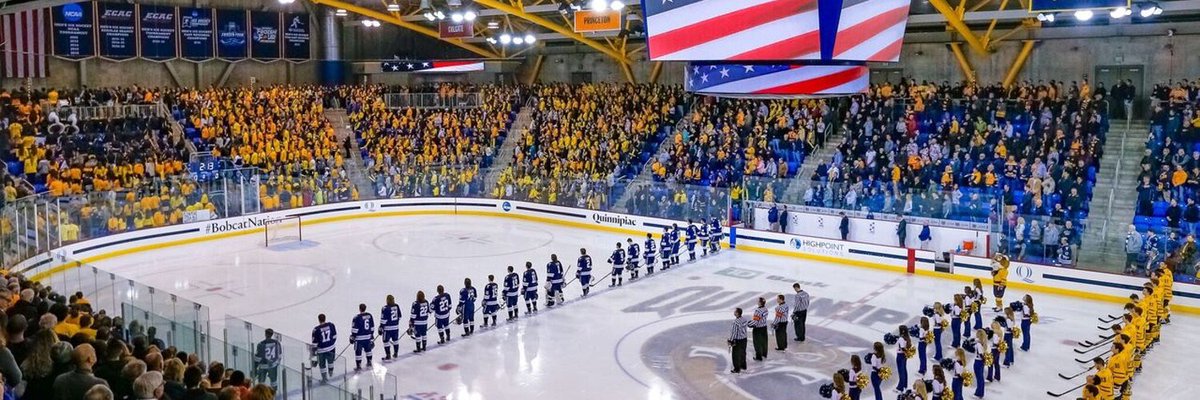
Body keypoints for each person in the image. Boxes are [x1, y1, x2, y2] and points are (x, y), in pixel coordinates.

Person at [310, 314, 336, 383]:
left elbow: (314, 343)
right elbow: (334, 336)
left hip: (321, 350)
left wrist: (314, 355)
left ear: (319, 320)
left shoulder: (316, 330)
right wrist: (331, 344)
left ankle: (324, 379)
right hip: (331, 348)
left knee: (322, 365)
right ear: (325, 318)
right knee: (331, 362)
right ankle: (331, 373)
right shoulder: (331, 325)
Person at [350, 303, 375, 371]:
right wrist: (371, 335)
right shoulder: (370, 315)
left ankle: (358, 366)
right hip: (368, 337)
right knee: (368, 350)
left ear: (360, 309)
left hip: (359, 338)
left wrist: (352, 336)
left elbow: (355, 329)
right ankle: (369, 362)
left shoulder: (357, 317)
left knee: (358, 352)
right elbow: (372, 326)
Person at [379, 295, 402, 361]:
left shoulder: (385, 308)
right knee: (395, 341)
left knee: (386, 341)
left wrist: (381, 327)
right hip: (395, 327)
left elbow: (383, 320)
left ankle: (388, 355)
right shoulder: (396, 306)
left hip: (387, 329)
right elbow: (400, 317)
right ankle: (395, 353)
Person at [728, 308, 749, 374]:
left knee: (736, 355)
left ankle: (737, 369)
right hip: (744, 339)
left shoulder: (735, 322)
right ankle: (743, 365)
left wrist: (731, 340)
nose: (734, 312)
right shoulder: (745, 319)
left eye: (735, 311)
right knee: (743, 353)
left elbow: (734, 332)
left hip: (738, 340)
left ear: (737, 313)